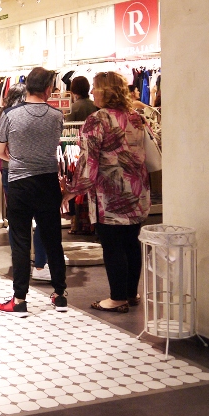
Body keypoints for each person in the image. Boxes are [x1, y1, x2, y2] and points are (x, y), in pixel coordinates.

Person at [63, 72, 150, 313]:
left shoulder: (97, 120)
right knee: (131, 242)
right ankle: (131, 293)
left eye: (96, 88)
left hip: (110, 193)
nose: (92, 92)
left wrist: (72, 191)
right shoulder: (135, 117)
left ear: (106, 91)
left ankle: (117, 298)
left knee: (112, 245)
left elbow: (88, 161)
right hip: (137, 189)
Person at [0, 67, 67, 316]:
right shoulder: (57, 116)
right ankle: (60, 295)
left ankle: (20, 299)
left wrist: (16, 159)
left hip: (20, 183)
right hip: (48, 182)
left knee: (20, 241)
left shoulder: (10, 115)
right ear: (48, 88)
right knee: (53, 239)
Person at [0, 84, 51, 282]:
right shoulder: (33, 117)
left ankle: (21, 264)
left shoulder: (4, 117)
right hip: (35, 173)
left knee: (17, 222)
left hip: (10, 172)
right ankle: (40, 265)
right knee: (42, 219)